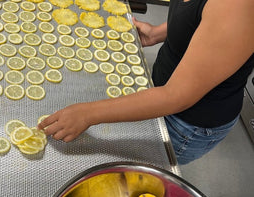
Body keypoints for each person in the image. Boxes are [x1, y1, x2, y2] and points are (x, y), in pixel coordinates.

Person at [38, 0, 254, 165]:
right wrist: (157, 33)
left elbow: (176, 96)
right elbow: (201, 18)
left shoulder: (239, 7)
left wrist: (88, 113)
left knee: (136, 177)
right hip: (164, 88)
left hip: (187, 124)